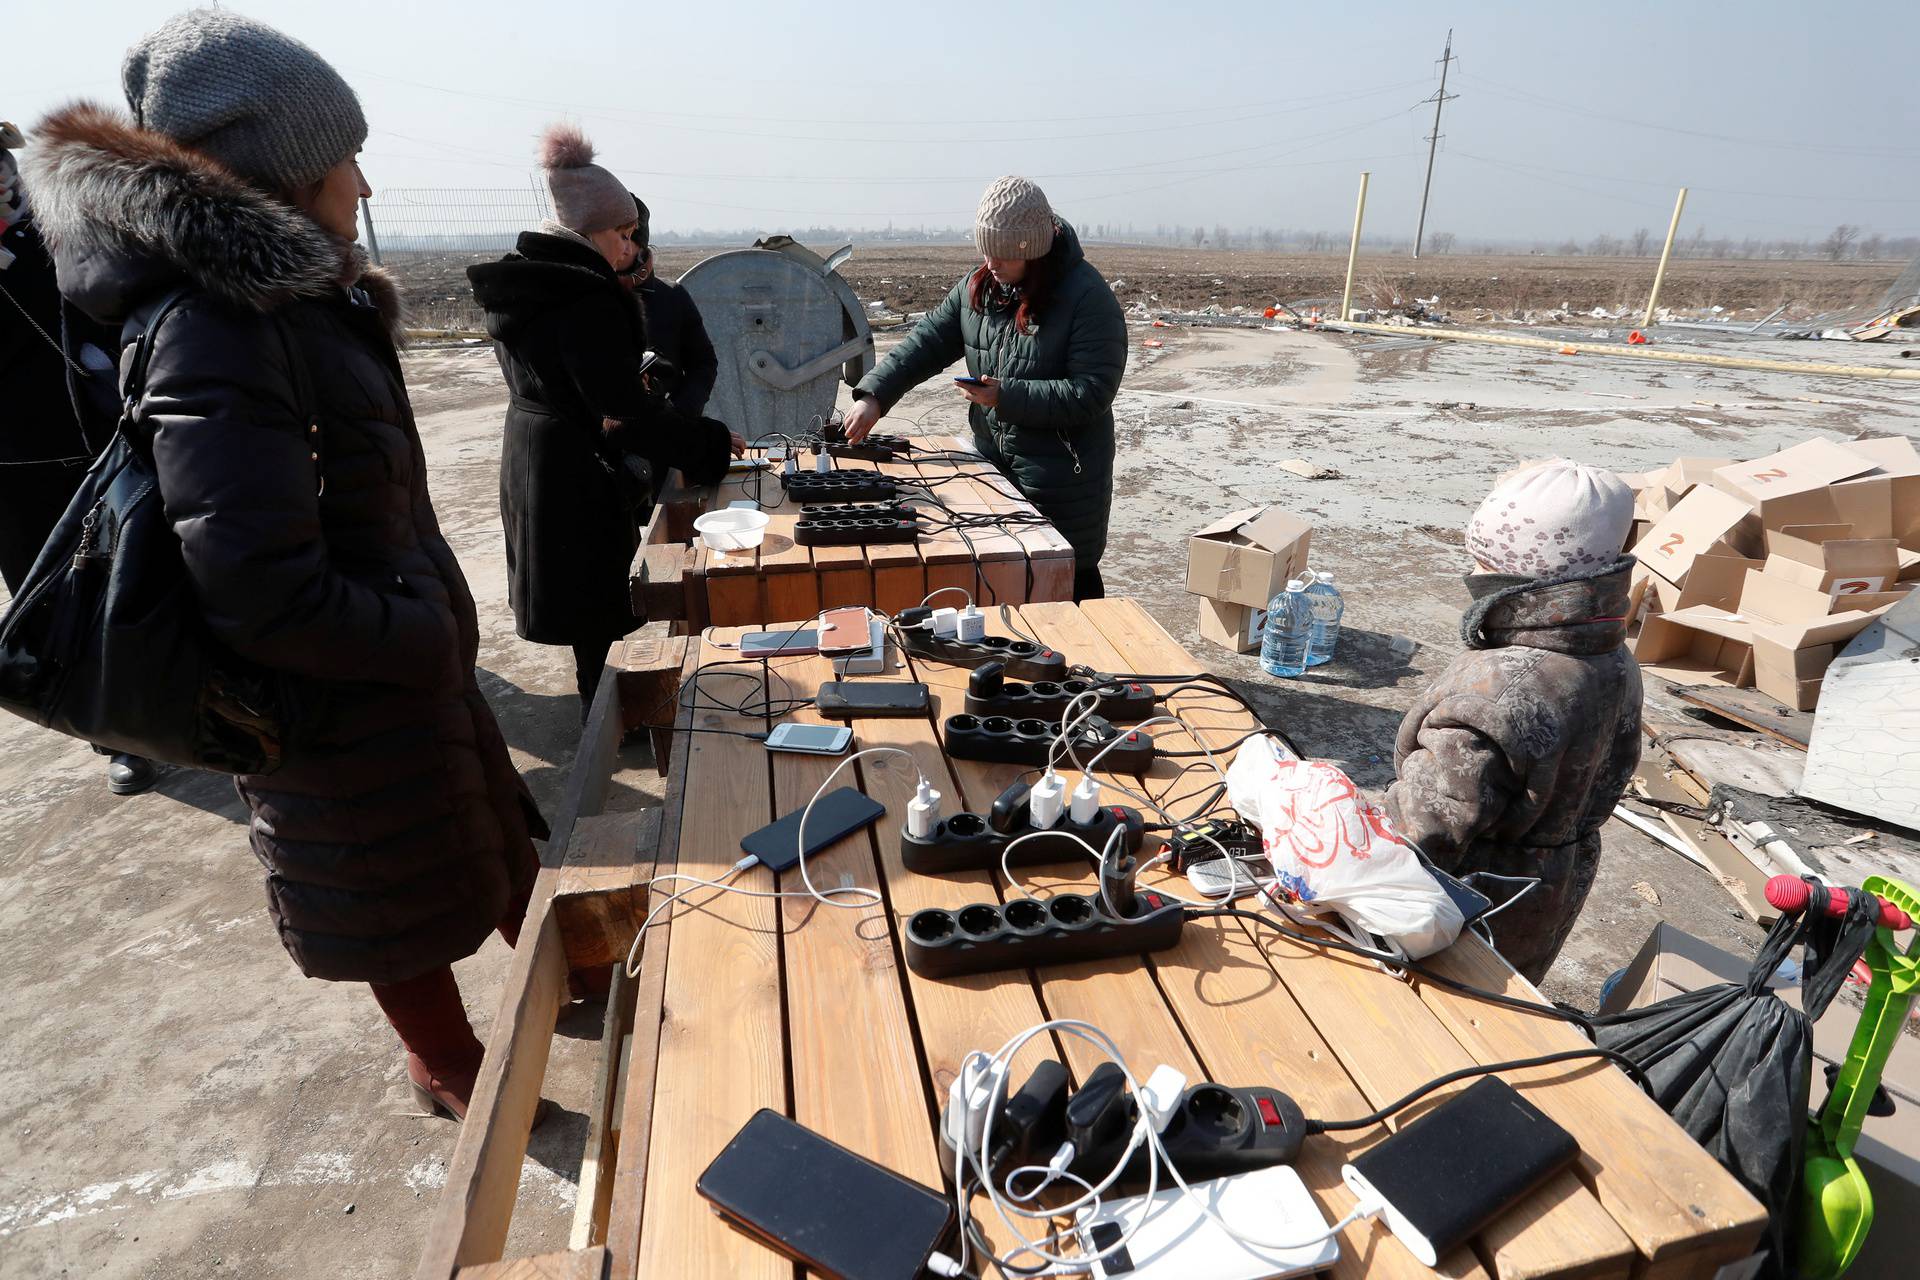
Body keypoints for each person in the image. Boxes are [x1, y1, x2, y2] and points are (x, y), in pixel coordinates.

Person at [27, 8, 546, 1120]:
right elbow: (255, 582)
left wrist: (423, 624)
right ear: (284, 171)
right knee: (379, 873)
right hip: (329, 687)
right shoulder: (217, 325)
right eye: (341, 156)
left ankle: (569, 966)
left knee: (476, 823)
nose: (362, 180)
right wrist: (412, 632)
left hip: (388, 649)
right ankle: (447, 1061)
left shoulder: (291, 301)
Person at [469, 129, 738, 713]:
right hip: (573, 464)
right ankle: (610, 715)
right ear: (591, 231)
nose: (629, 247)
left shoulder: (531, 284)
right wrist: (710, 444)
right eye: (622, 234)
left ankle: (603, 702)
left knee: (580, 593)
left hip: (538, 453)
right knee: (592, 597)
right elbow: (626, 412)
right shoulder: (585, 298)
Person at [1385, 461, 1642, 983]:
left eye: (1480, 558)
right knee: (1508, 1005)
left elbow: (1420, 831)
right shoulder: (1612, 656)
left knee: (1436, 1014)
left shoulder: (1499, 687)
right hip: (1551, 890)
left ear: (1508, 574)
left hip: (1466, 901)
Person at [843, 176, 1126, 601]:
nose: (991, 262)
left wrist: (1005, 396)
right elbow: (926, 342)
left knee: (1066, 588)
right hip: (996, 468)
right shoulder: (982, 288)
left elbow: (1091, 393)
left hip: (1061, 480)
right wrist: (874, 397)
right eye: (986, 250)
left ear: (1032, 250)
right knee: (1004, 586)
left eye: (1004, 254)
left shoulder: (1087, 298)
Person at [1, 121, 159, 796]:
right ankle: (116, 734)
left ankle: (199, 695)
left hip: (94, 444)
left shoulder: (54, 227)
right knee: (53, 601)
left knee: (145, 573)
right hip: (10, 470)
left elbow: (108, 303)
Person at [619, 194, 719, 417]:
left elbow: (703, 364)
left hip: (665, 433)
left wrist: (678, 414)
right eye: (615, 237)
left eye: (628, 239)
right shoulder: (588, 297)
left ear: (641, 245)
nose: (621, 248)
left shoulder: (672, 297)